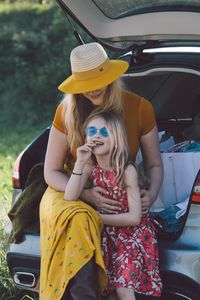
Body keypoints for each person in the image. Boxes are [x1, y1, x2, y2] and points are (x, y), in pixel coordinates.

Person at [39, 42, 163, 300]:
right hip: (70, 186)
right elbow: (51, 172)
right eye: (84, 84)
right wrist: (86, 196)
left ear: (111, 77)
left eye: (99, 79)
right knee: (80, 219)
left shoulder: (139, 108)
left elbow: (153, 165)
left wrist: (149, 195)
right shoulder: (67, 111)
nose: (93, 89)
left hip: (118, 194)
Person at [64, 111, 163, 300]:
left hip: (132, 237)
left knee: (124, 289)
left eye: (104, 132)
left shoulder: (127, 171)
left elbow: (134, 218)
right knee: (108, 291)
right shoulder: (89, 167)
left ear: (116, 138)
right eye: (91, 131)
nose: (96, 135)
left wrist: (96, 217)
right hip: (107, 238)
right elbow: (70, 196)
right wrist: (79, 162)